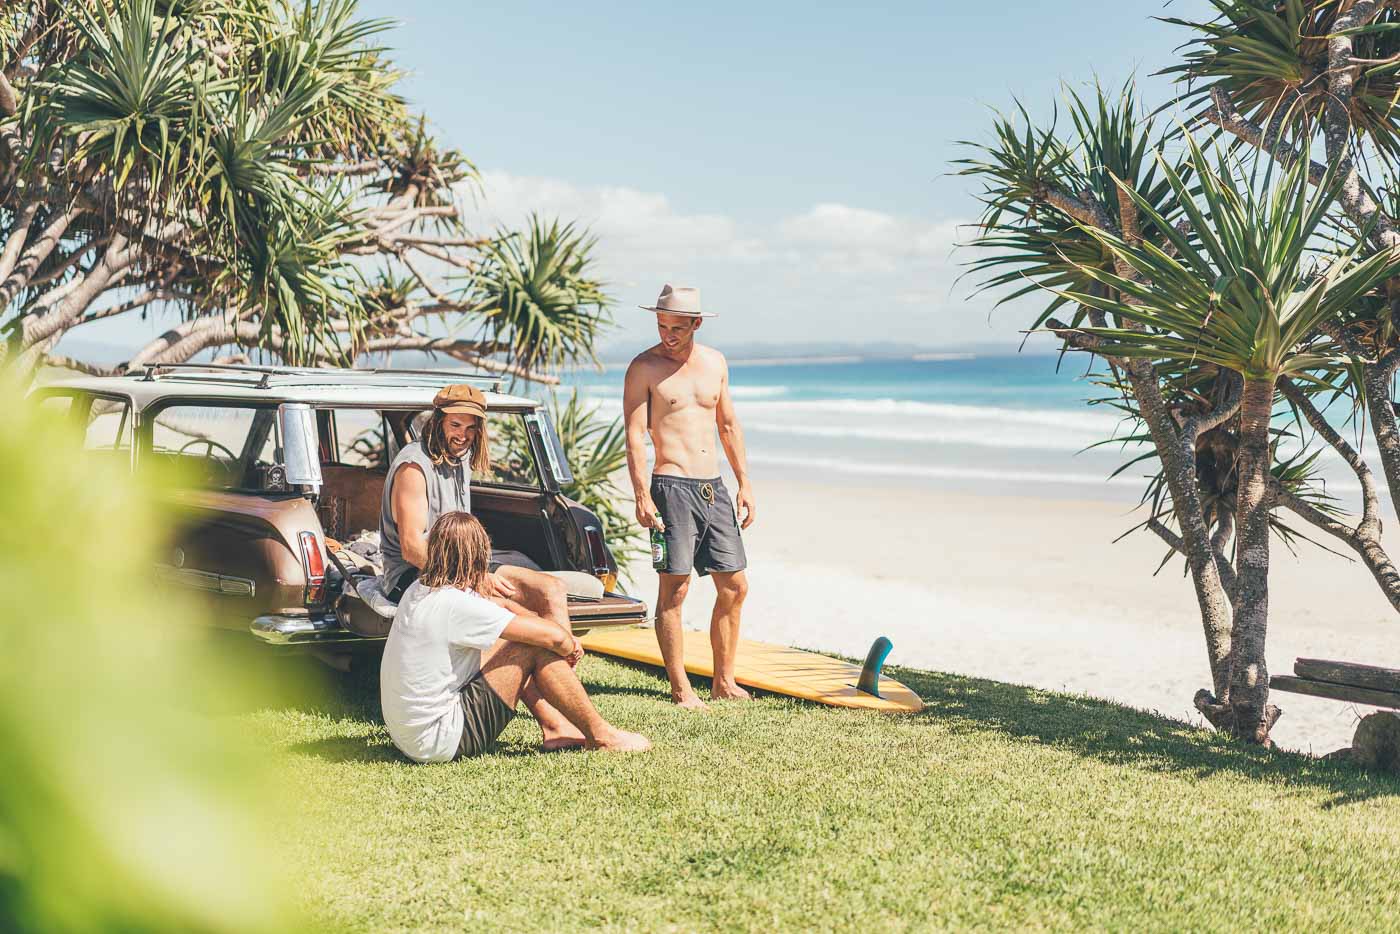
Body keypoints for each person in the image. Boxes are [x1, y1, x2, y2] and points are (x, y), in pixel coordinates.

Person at [380, 511, 650, 760]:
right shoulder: (455, 605)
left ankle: (556, 727)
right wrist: (568, 645)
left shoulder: (420, 590)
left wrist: (547, 631)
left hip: (412, 736)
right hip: (441, 740)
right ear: (477, 556)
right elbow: (552, 640)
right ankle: (602, 736)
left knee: (520, 638)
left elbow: (501, 607)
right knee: (531, 647)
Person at [623, 284, 755, 709]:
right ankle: (681, 689)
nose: (669, 335)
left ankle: (724, 681)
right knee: (674, 591)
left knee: (735, 586)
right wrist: (642, 494)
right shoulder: (644, 368)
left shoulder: (715, 362)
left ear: (697, 323)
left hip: (713, 487)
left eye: (678, 327)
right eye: (662, 326)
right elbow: (634, 435)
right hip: (670, 487)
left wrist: (744, 483)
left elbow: (729, 425)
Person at [379, 383, 570, 632]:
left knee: (552, 589)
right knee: (504, 609)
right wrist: (472, 579)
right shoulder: (413, 467)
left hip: (462, 566)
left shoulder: (461, 457)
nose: (463, 435)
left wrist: (474, 572)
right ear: (438, 423)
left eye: (471, 428)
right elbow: (413, 549)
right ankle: (558, 648)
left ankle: (565, 656)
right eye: (455, 425)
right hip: (413, 575)